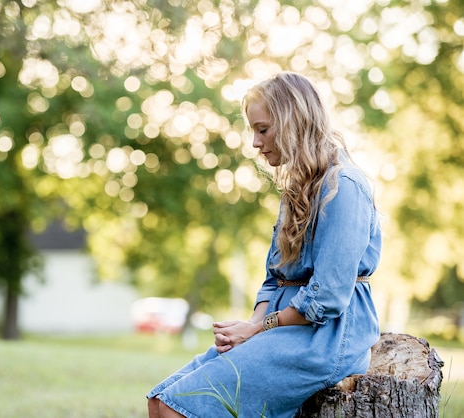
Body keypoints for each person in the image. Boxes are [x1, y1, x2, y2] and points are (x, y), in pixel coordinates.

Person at [146, 72, 381, 418]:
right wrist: (249, 327)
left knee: (173, 408)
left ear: (293, 123)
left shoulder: (343, 187)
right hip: (284, 326)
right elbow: (275, 280)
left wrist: (258, 327)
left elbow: (327, 298)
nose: (255, 142)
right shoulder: (297, 190)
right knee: (160, 401)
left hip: (325, 338)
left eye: (263, 129)